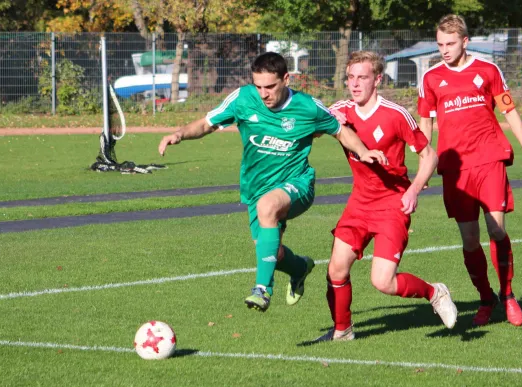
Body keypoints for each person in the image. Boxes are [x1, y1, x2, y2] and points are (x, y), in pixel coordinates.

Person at [158, 52, 387, 313]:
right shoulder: (243, 99)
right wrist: (179, 134)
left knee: (268, 207)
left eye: (270, 86)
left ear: (286, 79)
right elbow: (207, 124)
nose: (263, 94)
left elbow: (339, 130)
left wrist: (363, 151)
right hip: (256, 189)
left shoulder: (307, 106)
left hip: (298, 184)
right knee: (271, 253)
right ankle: (300, 268)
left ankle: (262, 289)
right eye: (258, 86)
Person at [417, 15, 522, 327]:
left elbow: (509, 110)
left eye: (450, 44)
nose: (444, 50)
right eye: (439, 44)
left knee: (496, 229)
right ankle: (486, 298)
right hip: (455, 169)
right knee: (469, 239)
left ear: (465, 42)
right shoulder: (431, 78)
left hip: (490, 160)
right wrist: (423, 166)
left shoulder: (488, 71)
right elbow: (425, 123)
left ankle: (508, 295)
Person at [315, 51, 457, 342]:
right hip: (359, 202)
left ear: (377, 79)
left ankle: (435, 292)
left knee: (383, 281)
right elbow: (314, 126)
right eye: (351, 77)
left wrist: (414, 189)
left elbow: (429, 156)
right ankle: (342, 331)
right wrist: (328, 118)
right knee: (336, 270)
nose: (355, 84)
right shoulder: (341, 110)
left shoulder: (396, 114)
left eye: (362, 77)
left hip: (393, 203)